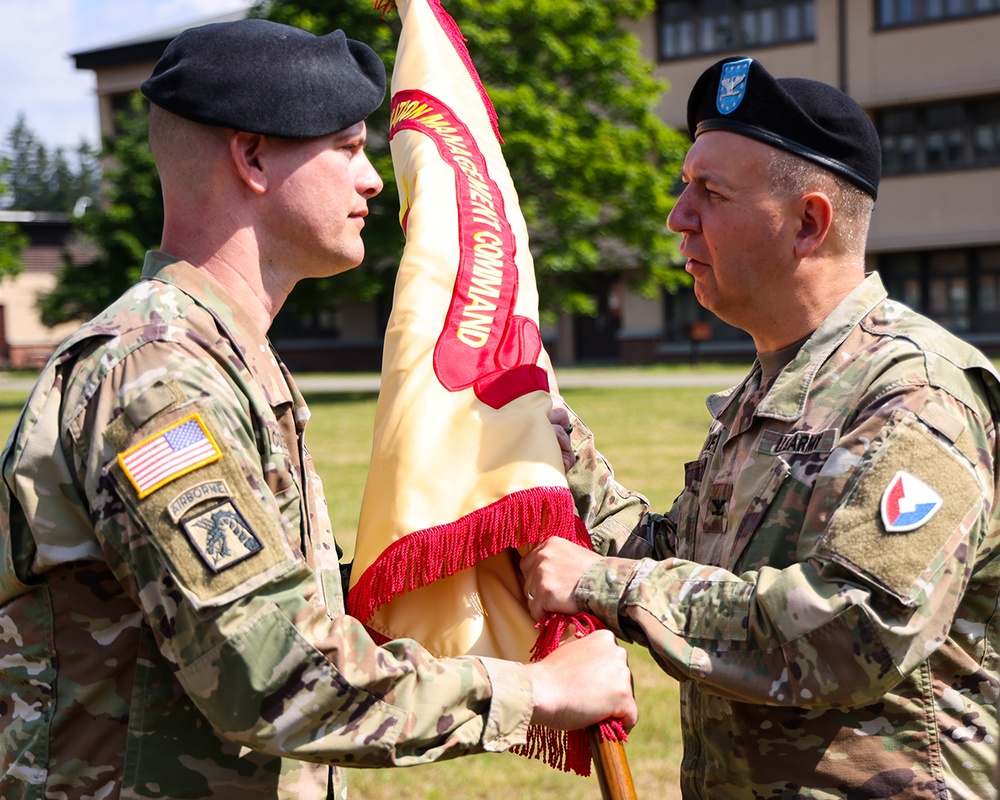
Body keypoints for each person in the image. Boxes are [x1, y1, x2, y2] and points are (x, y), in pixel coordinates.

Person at [0, 19, 637, 800]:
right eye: (346, 147)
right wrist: (542, 691)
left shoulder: (227, 362)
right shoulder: (156, 376)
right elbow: (271, 676)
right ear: (254, 157)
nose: (372, 179)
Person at [523, 56, 1000, 799]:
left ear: (808, 222)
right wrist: (551, 441)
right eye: (686, 187)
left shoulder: (918, 394)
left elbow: (854, 631)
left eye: (710, 192)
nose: (678, 217)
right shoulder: (774, 385)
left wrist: (606, 585)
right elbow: (681, 560)